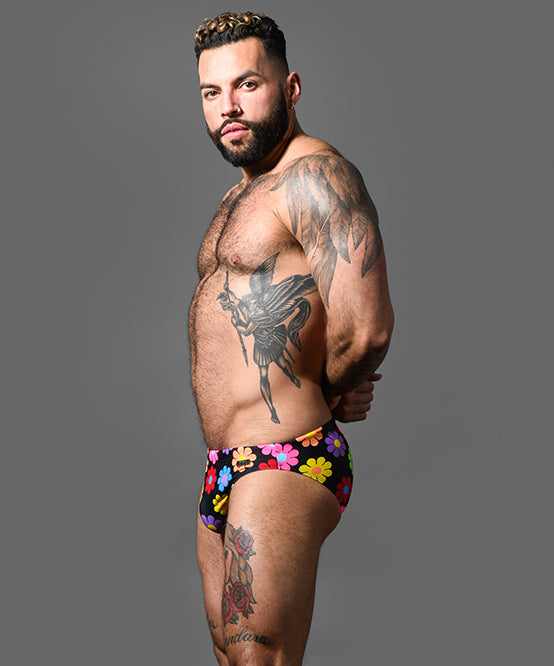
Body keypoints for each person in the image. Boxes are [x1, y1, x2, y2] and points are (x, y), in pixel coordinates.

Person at [190, 11, 394, 665]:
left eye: (247, 85)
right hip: (224, 465)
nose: (228, 107)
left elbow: (366, 328)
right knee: (234, 657)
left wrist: (328, 389)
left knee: (260, 657)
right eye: (212, 92)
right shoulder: (239, 196)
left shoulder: (315, 177)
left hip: (284, 458)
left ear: (291, 87)